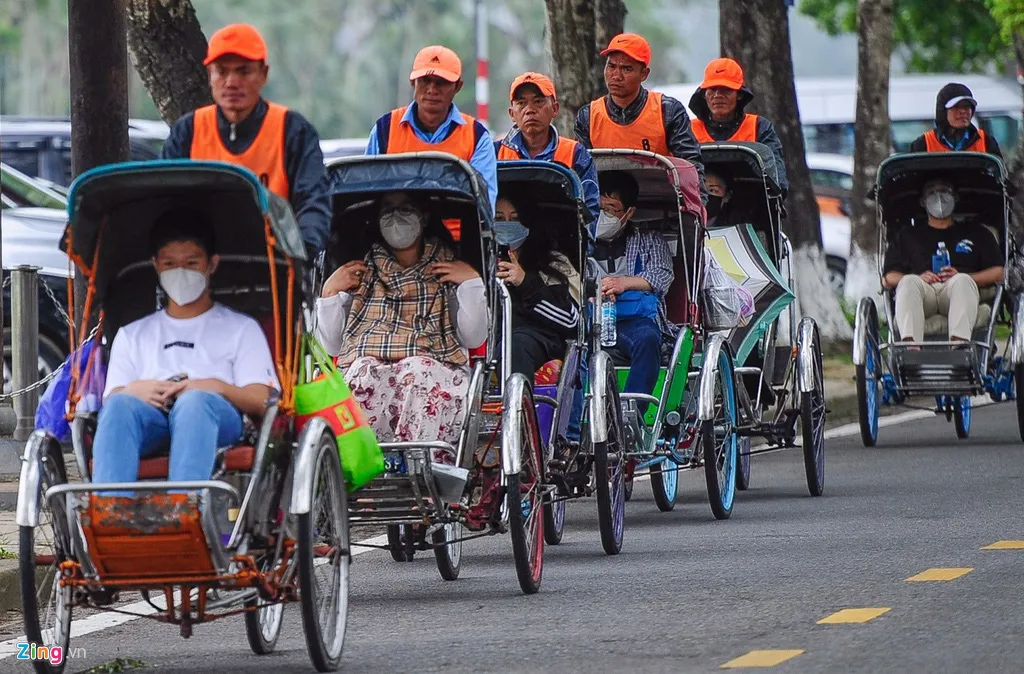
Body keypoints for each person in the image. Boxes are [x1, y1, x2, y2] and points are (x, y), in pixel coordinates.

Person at [92, 210, 280, 487]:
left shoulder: (241, 328)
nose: (180, 272)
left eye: (191, 262)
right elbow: (113, 397)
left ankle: (183, 506)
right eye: (170, 263)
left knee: (194, 403)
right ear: (156, 265)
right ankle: (108, 511)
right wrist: (132, 390)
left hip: (215, 416)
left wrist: (213, 386)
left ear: (211, 264)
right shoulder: (132, 334)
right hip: (150, 418)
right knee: (120, 406)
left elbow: (262, 399)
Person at [315, 192, 487, 458]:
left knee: (416, 370)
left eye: (405, 208)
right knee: (361, 372)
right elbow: (333, 345)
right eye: (388, 209)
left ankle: (419, 471)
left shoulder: (449, 269)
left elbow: (474, 338)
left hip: (437, 370)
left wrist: (471, 283)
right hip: (375, 368)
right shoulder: (361, 272)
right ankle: (362, 473)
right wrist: (329, 293)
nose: (396, 218)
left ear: (423, 216)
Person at [162, 23, 330, 257]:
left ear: (264, 74)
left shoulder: (292, 130)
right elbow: (165, 202)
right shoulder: (187, 132)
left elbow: (312, 200)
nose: (231, 82)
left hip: (275, 265)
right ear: (209, 75)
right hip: (200, 268)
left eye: (243, 71)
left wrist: (303, 255)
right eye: (221, 71)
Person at [366, 46, 498, 215]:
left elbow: (485, 207)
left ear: (458, 86)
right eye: (425, 80)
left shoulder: (476, 136)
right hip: (394, 233)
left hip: (461, 238)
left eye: (441, 82)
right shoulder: (384, 130)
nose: (431, 89)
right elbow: (368, 194)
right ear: (412, 82)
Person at [574, 33, 704, 197]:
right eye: (611, 66)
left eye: (626, 69)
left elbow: (691, 168)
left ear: (644, 74)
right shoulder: (588, 116)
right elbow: (583, 175)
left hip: (660, 205)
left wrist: (697, 213)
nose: (616, 76)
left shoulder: (667, 111)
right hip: (607, 208)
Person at [882, 179, 1004, 343]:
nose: (938, 197)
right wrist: (918, 278)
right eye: (931, 192)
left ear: (955, 198)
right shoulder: (907, 235)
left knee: (962, 280)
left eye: (945, 191)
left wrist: (966, 276)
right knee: (908, 281)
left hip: (958, 291)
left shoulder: (977, 233)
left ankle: (959, 343)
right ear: (923, 201)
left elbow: (999, 272)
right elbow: (889, 277)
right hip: (924, 292)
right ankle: (909, 346)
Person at [593, 171, 675, 404]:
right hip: (589, 319)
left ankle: (632, 412)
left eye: (610, 208)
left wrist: (623, 283)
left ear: (629, 212)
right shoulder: (578, 241)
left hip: (632, 321)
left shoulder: (649, 241)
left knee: (648, 339)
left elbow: (661, 276)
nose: (603, 215)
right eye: (598, 207)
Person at [494, 194, 581, 381]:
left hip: (536, 341)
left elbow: (571, 320)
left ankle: (518, 409)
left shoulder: (554, 264)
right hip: (487, 339)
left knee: (513, 345)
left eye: (515, 219)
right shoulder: (477, 263)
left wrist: (524, 282)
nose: (507, 225)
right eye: (499, 219)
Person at [496, 73, 600, 228]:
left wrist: (580, 250)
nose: (530, 110)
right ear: (512, 113)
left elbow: (590, 214)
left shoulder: (576, 154)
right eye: (521, 103)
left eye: (538, 102)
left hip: (561, 247)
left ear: (555, 109)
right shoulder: (494, 153)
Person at [688, 57, 789, 193]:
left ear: (739, 95)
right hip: (699, 207)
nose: (717, 95)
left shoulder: (759, 127)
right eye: (712, 89)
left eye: (726, 90)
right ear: (704, 95)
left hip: (750, 206)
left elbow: (778, 178)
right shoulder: (688, 129)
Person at [909, 83, 1002, 158]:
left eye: (967, 106)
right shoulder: (923, 144)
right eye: (956, 106)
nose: (962, 111)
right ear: (943, 111)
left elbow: (1000, 178)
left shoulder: (987, 142)